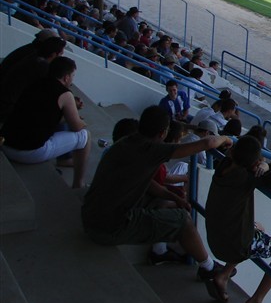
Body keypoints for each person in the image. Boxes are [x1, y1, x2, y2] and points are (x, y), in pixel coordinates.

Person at [82, 106, 233, 282]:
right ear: (162, 133)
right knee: (182, 220)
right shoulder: (151, 150)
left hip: (91, 215)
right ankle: (208, 268)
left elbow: (149, 184)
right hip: (108, 227)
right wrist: (226, 139)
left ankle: (159, 252)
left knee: (165, 203)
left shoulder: (126, 143)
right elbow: (207, 143)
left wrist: (175, 198)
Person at [204, 135, 271, 303]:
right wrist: (266, 166)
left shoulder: (222, 165)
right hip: (234, 245)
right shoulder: (247, 178)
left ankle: (223, 275)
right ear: (255, 162)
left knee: (257, 228)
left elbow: (231, 150)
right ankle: (256, 302)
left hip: (214, 236)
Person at [0, 56, 91, 188]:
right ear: (66, 77)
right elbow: (77, 126)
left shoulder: (35, 82)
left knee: (63, 123)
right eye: (72, 75)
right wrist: (81, 120)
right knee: (85, 136)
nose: (72, 79)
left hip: (5, 143)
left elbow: (44, 113)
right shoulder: (65, 94)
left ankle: (65, 160)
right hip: (28, 152)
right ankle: (79, 183)